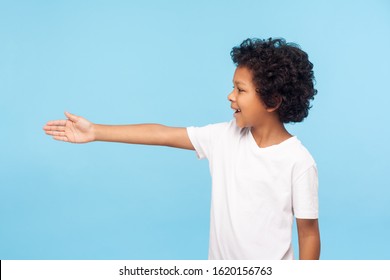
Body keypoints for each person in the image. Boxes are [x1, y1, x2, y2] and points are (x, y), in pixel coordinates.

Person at [43, 38, 320, 260]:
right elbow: (162, 133)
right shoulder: (224, 137)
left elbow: (308, 235)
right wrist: (96, 131)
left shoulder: (298, 161)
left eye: (240, 90)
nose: (230, 96)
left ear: (272, 101)